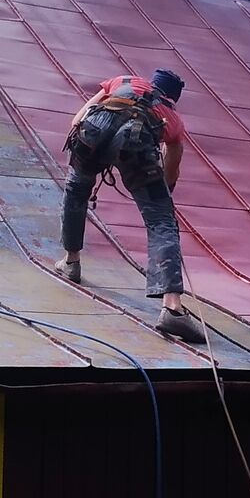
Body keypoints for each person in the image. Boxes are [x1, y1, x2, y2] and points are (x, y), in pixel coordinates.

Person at [57, 67, 206, 343]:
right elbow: (171, 169)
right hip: (136, 141)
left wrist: (90, 156)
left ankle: (71, 261)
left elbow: (79, 118)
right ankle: (172, 307)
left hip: (93, 129)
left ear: (151, 82)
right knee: (162, 220)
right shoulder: (171, 118)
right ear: (173, 98)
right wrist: (162, 193)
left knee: (76, 190)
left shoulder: (121, 82)